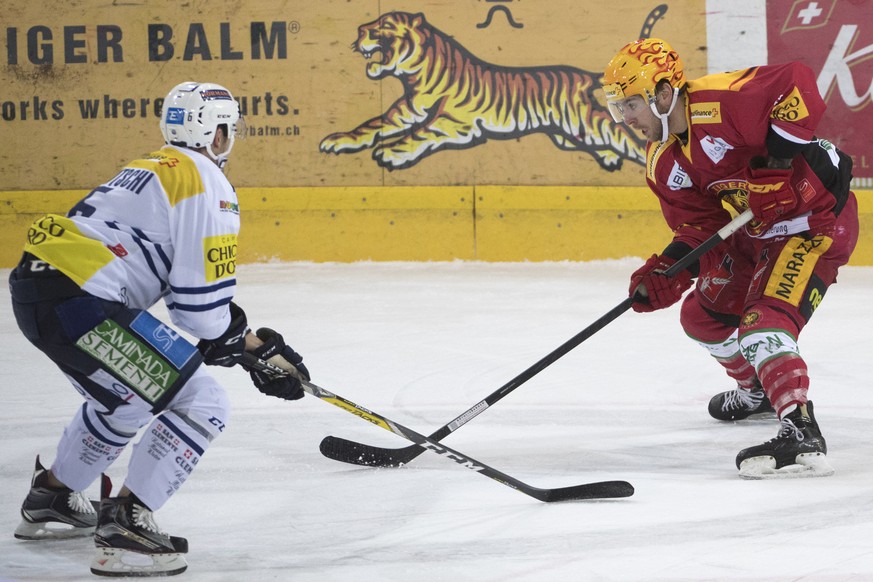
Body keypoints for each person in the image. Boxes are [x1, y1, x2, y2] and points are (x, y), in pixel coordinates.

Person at [9, 81, 310, 577]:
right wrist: (247, 347)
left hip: (38, 293)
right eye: (227, 129)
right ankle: (125, 525)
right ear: (216, 133)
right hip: (85, 303)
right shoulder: (207, 182)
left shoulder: (149, 167)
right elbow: (199, 314)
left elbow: (184, 294)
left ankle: (54, 495)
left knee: (125, 399)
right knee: (202, 401)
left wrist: (245, 343)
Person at [600, 39, 858, 478]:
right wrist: (669, 270)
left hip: (811, 222)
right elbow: (699, 228)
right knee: (703, 317)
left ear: (664, 94)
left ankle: (800, 427)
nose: (626, 118)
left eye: (631, 104)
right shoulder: (663, 162)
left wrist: (775, 166)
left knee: (764, 323)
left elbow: (797, 84)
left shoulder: (720, 102)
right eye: (619, 107)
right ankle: (756, 389)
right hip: (752, 235)